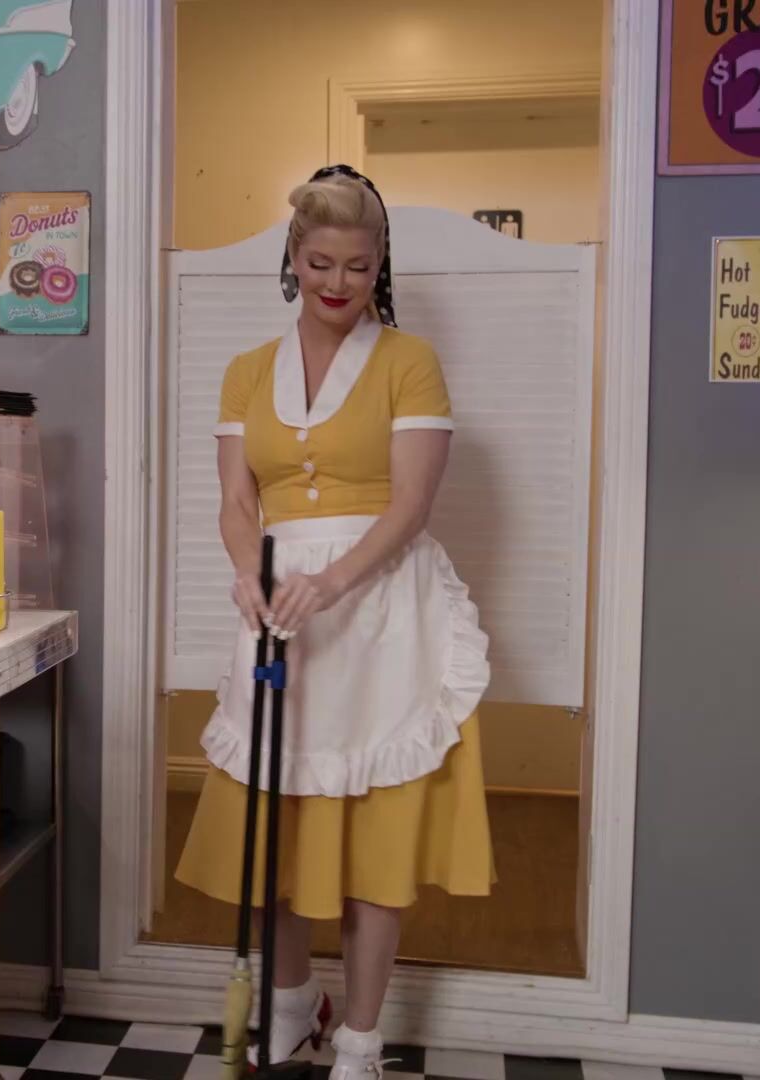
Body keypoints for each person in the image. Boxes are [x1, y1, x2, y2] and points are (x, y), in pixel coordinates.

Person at [173, 166, 493, 1078]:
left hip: (381, 610)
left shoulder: (408, 362)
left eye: (358, 265)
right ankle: (287, 1006)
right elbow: (238, 502)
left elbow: (411, 505)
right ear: (294, 256)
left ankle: (359, 1039)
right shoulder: (246, 372)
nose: (338, 283)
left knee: (373, 832)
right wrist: (252, 573)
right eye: (320, 263)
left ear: (380, 263)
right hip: (281, 612)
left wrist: (332, 581)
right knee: (279, 822)